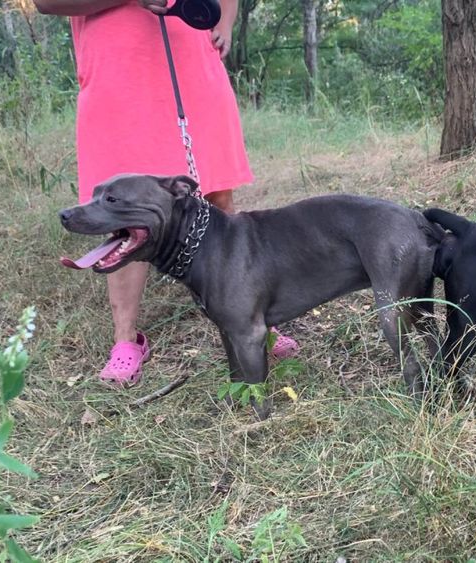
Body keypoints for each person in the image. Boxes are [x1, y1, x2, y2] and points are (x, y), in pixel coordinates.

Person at [34, 0, 298, 386]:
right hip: (117, 71)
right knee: (125, 211)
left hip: (193, 65)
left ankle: (252, 321)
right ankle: (125, 340)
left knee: (217, 195)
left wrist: (224, 20)